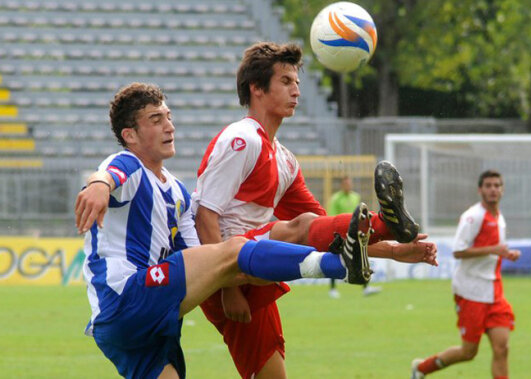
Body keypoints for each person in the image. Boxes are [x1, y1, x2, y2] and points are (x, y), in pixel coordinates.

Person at [74, 82, 375, 379]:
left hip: (135, 323)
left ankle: (339, 262)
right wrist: (99, 184)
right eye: (156, 120)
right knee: (233, 250)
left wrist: (236, 278)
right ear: (130, 135)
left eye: (169, 116)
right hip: (127, 295)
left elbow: (203, 257)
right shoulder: (129, 164)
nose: (169, 126)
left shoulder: (177, 191)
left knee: (232, 263)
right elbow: (110, 173)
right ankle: (339, 265)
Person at [193, 41, 426, 379]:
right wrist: (226, 286)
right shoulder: (241, 140)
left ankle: (389, 227)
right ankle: (387, 222)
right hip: (225, 269)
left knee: (273, 376)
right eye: (286, 81)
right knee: (298, 226)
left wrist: (394, 250)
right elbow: (205, 216)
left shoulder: (284, 159)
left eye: (297, 82)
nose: (296, 91)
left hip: (254, 268)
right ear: (257, 88)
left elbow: (330, 230)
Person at [411, 170, 521, 379]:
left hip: (494, 291)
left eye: (497, 185)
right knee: (469, 352)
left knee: (502, 348)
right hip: (471, 291)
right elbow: (458, 251)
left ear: (502, 190)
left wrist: (506, 254)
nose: (493, 190)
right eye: (488, 185)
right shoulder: (473, 216)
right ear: (480, 190)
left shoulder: (499, 217)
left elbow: (493, 249)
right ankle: (421, 369)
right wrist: (493, 249)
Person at [327, 175, 381, 298]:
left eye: (349, 183)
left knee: (362, 258)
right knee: (335, 260)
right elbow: (332, 216)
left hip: (355, 234)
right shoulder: (336, 199)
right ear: (342, 185)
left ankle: (366, 287)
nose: (348, 185)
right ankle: (332, 289)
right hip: (340, 234)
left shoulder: (355, 197)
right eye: (346, 183)